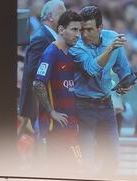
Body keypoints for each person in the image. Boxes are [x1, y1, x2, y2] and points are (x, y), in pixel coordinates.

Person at [69, 5, 133, 174]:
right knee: (87, 163)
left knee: (113, 158)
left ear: (100, 28)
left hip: (106, 106)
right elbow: (91, 69)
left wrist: (127, 82)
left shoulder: (112, 37)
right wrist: (110, 48)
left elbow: (123, 69)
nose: (84, 34)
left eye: (89, 29)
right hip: (83, 108)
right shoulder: (77, 46)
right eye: (82, 29)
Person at [33, 10, 83, 169]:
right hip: (55, 130)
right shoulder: (51, 53)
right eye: (74, 30)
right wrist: (51, 112)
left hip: (70, 127)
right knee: (59, 170)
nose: (78, 35)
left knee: (76, 168)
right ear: (61, 29)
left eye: (80, 30)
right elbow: (38, 84)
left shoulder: (69, 55)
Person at [17, 0, 66, 138]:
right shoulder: (41, 38)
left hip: (47, 103)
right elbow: (33, 70)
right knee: (41, 146)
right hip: (38, 105)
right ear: (51, 17)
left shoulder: (51, 37)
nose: (66, 19)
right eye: (63, 14)